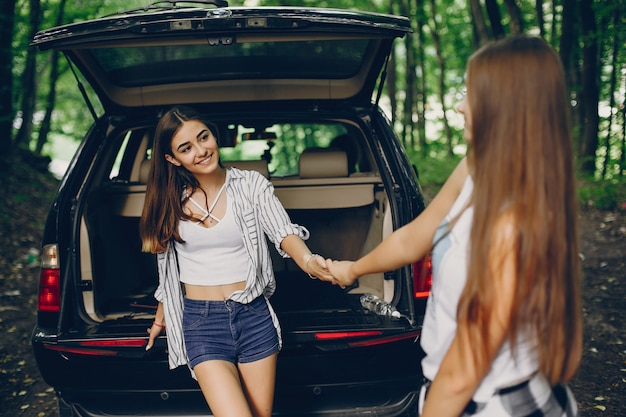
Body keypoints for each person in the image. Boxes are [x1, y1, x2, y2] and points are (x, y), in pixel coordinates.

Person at [326, 35, 582, 417]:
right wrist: (353, 269)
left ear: (505, 107)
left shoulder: (513, 229)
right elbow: (414, 236)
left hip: (491, 403)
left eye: (471, 94)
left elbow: (462, 372)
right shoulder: (479, 168)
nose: (461, 106)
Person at [139, 106, 333, 417]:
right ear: (172, 159)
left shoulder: (250, 185)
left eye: (204, 137)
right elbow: (168, 268)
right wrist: (162, 317)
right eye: (186, 148)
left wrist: (309, 261)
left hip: (252, 316)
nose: (201, 151)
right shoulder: (168, 199)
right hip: (202, 322)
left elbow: (283, 232)